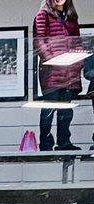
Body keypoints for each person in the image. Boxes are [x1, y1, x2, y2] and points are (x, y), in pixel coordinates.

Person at [34, 0, 82, 150]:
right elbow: (39, 41)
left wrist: (78, 62)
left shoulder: (71, 17)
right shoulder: (43, 15)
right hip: (52, 71)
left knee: (66, 109)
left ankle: (64, 142)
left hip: (70, 71)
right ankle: (46, 143)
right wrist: (51, 60)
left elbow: (77, 42)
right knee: (49, 107)